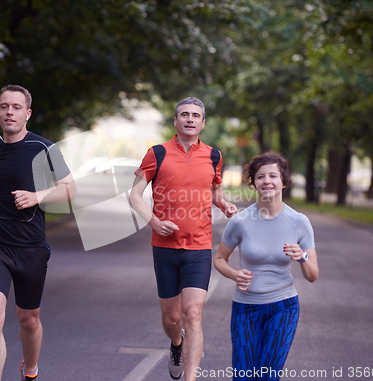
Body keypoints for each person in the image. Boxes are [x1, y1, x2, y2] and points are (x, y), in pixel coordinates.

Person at [0, 84, 76, 381]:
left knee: (29, 320)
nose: (9, 112)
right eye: (4, 106)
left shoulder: (44, 148)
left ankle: (30, 371)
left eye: (16, 107)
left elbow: (70, 189)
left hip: (31, 247)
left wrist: (38, 196)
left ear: (27, 114)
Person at [129, 97, 238, 381]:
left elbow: (214, 192)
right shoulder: (157, 153)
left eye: (196, 115)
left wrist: (224, 205)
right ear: (175, 121)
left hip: (199, 246)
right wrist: (154, 221)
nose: (190, 119)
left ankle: (190, 378)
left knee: (192, 313)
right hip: (164, 247)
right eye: (184, 115)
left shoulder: (214, 156)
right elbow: (134, 196)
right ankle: (176, 344)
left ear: (203, 123)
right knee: (172, 318)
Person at [213, 152, 319, 381]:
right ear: (253, 183)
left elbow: (313, 275)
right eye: (260, 177)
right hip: (245, 308)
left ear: (284, 182)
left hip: (283, 307)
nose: (267, 181)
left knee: (267, 376)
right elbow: (219, 259)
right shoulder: (240, 221)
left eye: (273, 176)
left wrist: (301, 257)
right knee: (243, 377)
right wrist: (234, 274)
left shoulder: (299, 221)